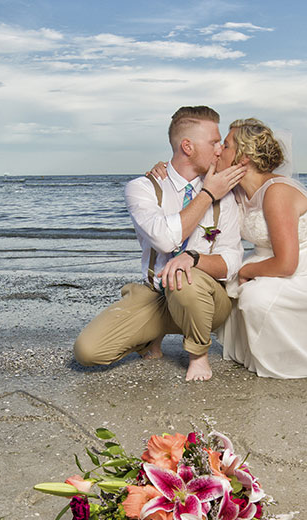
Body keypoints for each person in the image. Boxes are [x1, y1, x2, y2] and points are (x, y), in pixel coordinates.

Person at [73, 106, 246, 381]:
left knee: (184, 278)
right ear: (187, 146)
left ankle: (198, 355)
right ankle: (149, 335)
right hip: (156, 294)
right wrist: (207, 194)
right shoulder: (143, 188)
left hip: (207, 300)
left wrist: (195, 258)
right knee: (88, 351)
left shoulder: (226, 194)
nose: (218, 149)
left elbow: (232, 260)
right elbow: (165, 239)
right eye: (214, 142)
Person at [217, 118, 307, 378]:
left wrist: (248, 272)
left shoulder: (276, 192)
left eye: (225, 146)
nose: (218, 150)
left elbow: (286, 264)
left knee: (254, 297)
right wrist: (161, 170)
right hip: (275, 257)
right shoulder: (237, 189)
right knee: (228, 283)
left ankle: (290, 359)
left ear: (243, 157)